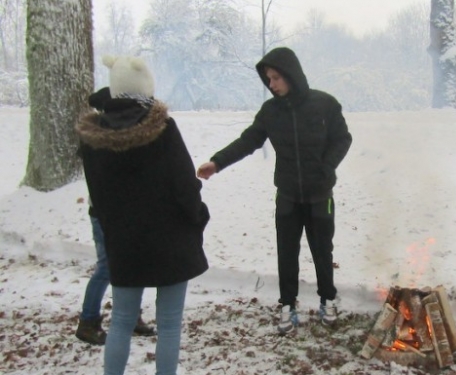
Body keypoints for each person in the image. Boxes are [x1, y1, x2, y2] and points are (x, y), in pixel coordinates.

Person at [197, 47, 352, 335]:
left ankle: (327, 299)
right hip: (288, 196)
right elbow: (249, 140)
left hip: (321, 196)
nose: (272, 84)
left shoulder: (324, 104)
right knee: (287, 252)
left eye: (277, 77)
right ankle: (287, 305)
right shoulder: (270, 112)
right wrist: (217, 162)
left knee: (322, 250)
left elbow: (343, 138)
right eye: (269, 79)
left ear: (291, 74)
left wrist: (326, 167)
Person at [76, 55, 209, 375]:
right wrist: (198, 217)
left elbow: (99, 197)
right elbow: (184, 184)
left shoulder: (92, 137)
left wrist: (114, 230)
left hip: (124, 241)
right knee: (169, 324)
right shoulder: (162, 127)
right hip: (171, 239)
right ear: (145, 87)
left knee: (121, 320)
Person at [75, 87, 155, 346]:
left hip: (127, 212)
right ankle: (88, 321)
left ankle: (131, 316)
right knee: (107, 268)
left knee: (134, 263)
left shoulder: (122, 129)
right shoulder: (100, 135)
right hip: (104, 213)